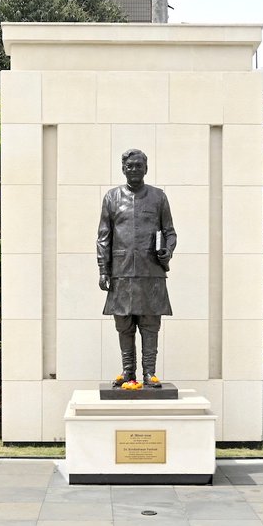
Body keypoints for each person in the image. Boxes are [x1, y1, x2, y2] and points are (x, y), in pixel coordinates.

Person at [96, 149, 177, 388]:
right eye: (129, 166)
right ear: (123, 169)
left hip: (151, 271)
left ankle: (149, 372)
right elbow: (103, 237)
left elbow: (170, 232)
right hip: (120, 272)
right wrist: (103, 268)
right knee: (124, 324)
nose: (134, 169)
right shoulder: (111, 198)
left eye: (138, 165)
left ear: (146, 168)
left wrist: (168, 250)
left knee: (150, 324)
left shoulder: (158, 197)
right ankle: (127, 371)